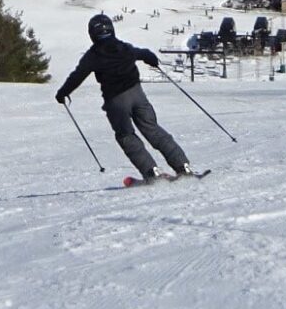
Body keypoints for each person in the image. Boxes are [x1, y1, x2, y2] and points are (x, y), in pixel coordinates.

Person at [56, 12, 193, 182]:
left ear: (92, 35)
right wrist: (152, 60)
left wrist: (62, 93)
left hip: (116, 101)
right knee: (153, 129)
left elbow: (78, 76)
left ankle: (152, 173)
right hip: (138, 95)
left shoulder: (93, 55)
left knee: (126, 135)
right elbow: (144, 53)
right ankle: (183, 166)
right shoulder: (123, 47)